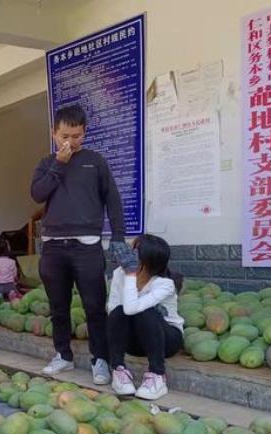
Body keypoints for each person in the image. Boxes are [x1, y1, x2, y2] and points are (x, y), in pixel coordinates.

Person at [30, 104, 128, 384]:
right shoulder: (45, 163)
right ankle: (63, 354)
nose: (70, 142)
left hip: (87, 246)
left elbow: (113, 199)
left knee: (94, 305)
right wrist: (59, 165)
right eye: (64, 135)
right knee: (58, 306)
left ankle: (100, 359)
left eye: (76, 136)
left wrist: (118, 236)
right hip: (53, 247)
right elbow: (37, 194)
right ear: (53, 133)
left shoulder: (95, 161)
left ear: (84, 133)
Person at [107, 235, 184, 400]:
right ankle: (118, 370)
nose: (128, 252)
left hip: (165, 341)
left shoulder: (165, 284)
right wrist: (128, 274)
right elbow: (114, 311)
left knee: (144, 311)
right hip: (134, 342)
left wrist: (130, 275)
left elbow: (132, 308)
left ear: (146, 260)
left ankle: (157, 375)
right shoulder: (119, 274)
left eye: (134, 250)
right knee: (117, 311)